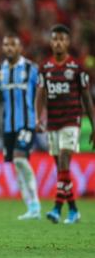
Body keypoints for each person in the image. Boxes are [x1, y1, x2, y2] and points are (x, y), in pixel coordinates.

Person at [0, 33, 41, 220]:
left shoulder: (32, 69)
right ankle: (31, 208)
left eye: (13, 45)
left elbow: (43, 94)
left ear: (20, 48)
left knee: (20, 159)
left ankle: (35, 203)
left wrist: (41, 117)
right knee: (17, 165)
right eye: (6, 45)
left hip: (27, 123)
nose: (9, 48)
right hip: (9, 127)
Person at [35, 24, 95, 224]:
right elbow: (40, 95)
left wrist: (94, 125)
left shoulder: (77, 68)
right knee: (63, 171)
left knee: (63, 161)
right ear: (51, 42)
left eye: (62, 39)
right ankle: (74, 210)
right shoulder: (45, 68)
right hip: (53, 122)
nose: (58, 42)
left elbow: (87, 98)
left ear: (68, 42)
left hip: (71, 120)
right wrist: (37, 117)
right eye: (55, 39)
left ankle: (56, 208)